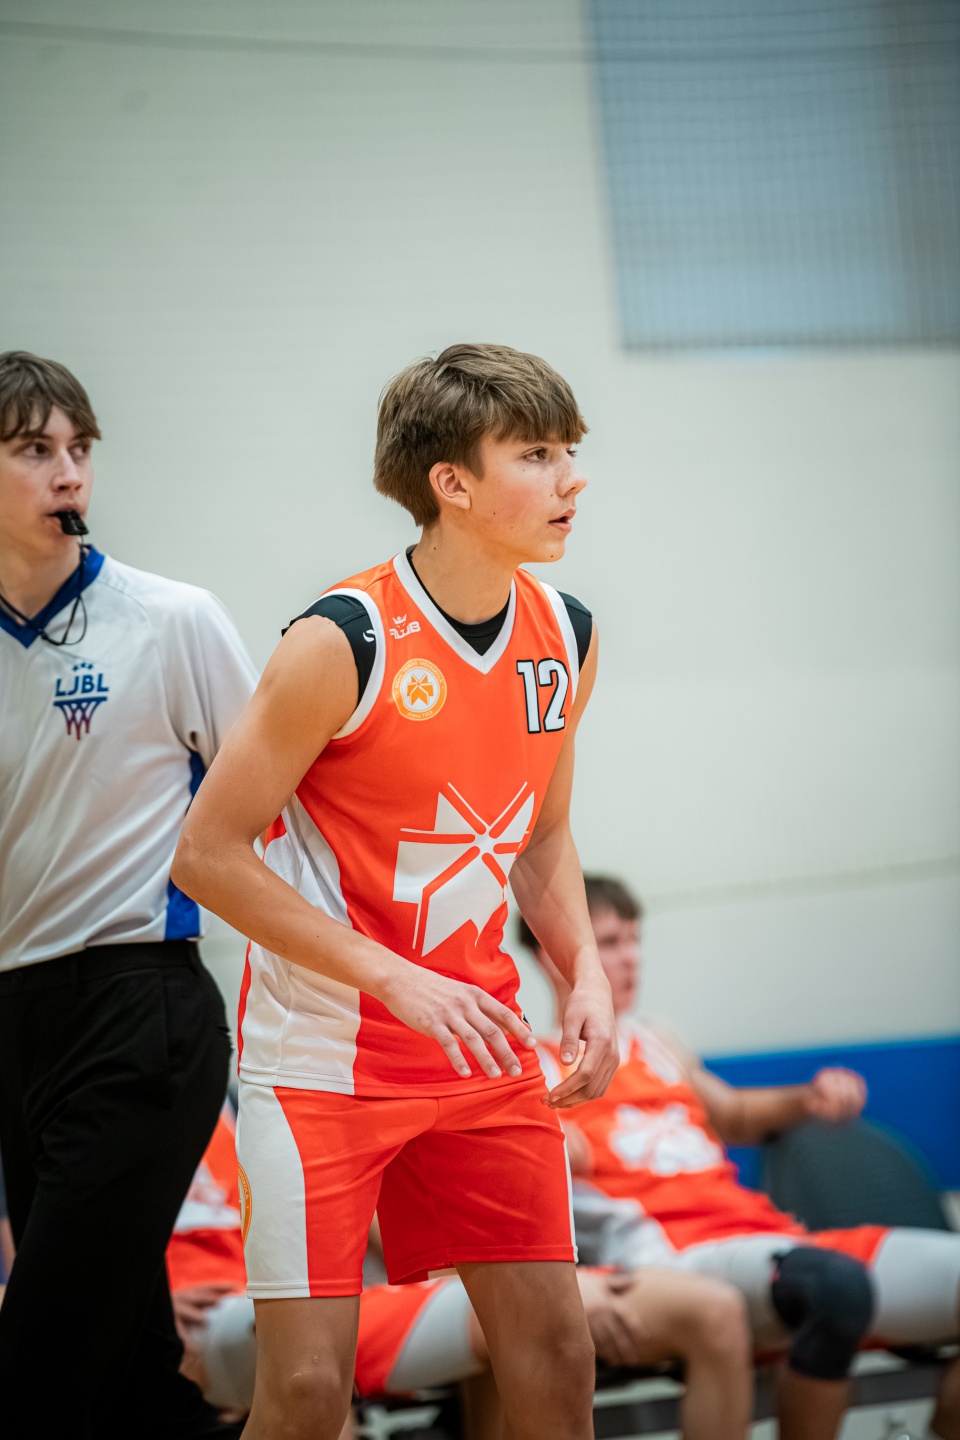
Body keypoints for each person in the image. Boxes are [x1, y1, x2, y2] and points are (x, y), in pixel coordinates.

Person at [171, 343, 621, 1440]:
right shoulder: (341, 639)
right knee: (307, 1395)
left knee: (559, 1359)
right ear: (451, 483)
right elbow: (208, 855)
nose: (572, 478)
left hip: (477, 1050)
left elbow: (541, 835)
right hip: (324, 1058)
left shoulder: (565, 633)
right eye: (537, 454)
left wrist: (586, 975)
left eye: (569, 451)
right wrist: (392, 979)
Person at [0, 350, 258, 1439]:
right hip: (17, 1026)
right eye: (33, 449)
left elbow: (280, 819)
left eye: (80, 448)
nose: (68, 472)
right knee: (128, 1388)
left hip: (140, 1010)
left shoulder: (172, 619)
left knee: (35, 1373)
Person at [524, 874, 960, 1440]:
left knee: (853, 1280)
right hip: (671, 1255)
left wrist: (807, 1098)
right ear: (553, 953)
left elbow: (731, 1114)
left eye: (634, 940)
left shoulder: (655, 1040)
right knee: (835, 1288)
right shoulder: (533, 1068)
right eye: (610, 942)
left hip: (761, 1234)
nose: (631, 958)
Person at [167, 1111, 753, 1440]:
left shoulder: (225, 1107)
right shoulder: (281, 1080)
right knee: (311, 1371)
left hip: (315, 1293)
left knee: (523, 1314)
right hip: (222, 1313)